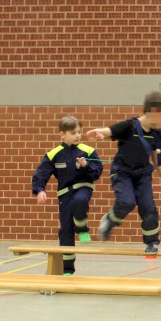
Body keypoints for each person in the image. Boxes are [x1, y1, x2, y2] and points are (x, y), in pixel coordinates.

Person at [86, 92, 161, 254]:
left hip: (143, 174)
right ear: (152, 111)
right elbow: (110, 130)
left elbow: (156, 157)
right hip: (122, 172)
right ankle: (110, 220)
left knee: (148, 206)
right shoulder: (129, 126)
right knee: (127, 202)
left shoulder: (157, 133)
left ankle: (152, 242)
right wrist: (98, 132)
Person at [32, 116, 103, 275]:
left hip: (83, 187)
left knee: (80, 201)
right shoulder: (53, 154)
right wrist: (40, 190)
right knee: (65, 231)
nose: (77, 135)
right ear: (62, 135)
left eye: (79, 132)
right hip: (64, 194)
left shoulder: (88, 151)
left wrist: (87, 165)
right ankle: (67, 270)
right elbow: (40, 174)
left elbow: (97, 172)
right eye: (73, 133)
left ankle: (82, 228)